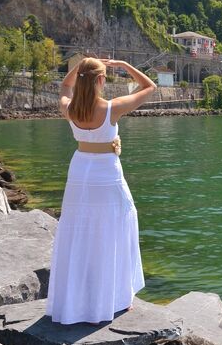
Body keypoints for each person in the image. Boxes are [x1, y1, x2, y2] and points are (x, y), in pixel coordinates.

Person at [45, 57, 157, 325]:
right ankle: (115, 297)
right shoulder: (111, 108)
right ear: (101, 80)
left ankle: (78, 300)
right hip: (106, 173)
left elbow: (64, 86)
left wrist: (81, 66)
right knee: (112, 228)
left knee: (79, 229)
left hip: (80, 170)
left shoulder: (69, 108)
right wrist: (125, 65)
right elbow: (149, 87)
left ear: (81, 78)